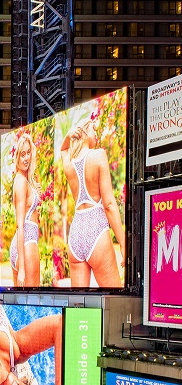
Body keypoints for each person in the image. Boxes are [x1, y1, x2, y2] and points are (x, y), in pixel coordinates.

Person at [59, 114, 126, 287]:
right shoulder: (98, 155)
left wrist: (68, 136)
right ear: (84, 132)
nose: (96, 133)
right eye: (93, 129)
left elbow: (63, 150)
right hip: (96, 229)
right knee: (114, 299)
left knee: (78, 305)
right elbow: (109, 205)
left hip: (75, 234)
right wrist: (123, 243)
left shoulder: (69, 165)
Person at [9, 132, 42, 287]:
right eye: (23, 154)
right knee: (35, 298)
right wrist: (22, 268)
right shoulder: (21, 182)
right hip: (26, 243)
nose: (26, 158)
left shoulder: (22, 180)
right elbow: (20, 225)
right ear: (17, 157)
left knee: (20, 301)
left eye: (28, 153)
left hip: (20, 246)